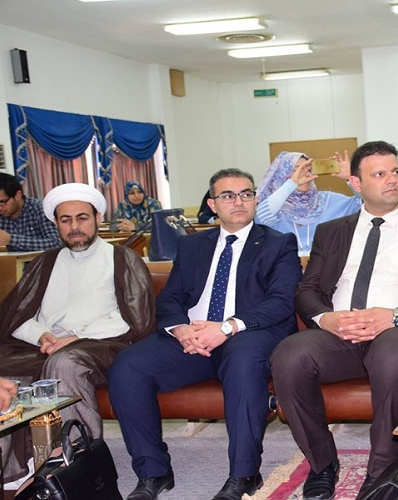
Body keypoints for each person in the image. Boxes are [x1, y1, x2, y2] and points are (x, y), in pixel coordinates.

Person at [271, 141, 398, 500]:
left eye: (395, 172)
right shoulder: (332, 231)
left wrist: (395, 316)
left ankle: (383, 471)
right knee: (289, 355)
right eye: (379, 174)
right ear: (357, 184)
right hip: (340, 334)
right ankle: (322, 464)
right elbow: (307, 289)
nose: (391, 180)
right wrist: (326, 318)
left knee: (392, 352)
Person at [108, 168, 301, 500]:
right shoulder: (192, 245)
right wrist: (181, 330)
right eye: (228, 196)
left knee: (243, 362)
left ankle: (244, 475)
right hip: (194, 334)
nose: (238, 202)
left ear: (255, 199)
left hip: (247, 332)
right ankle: (153, 472)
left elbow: (281, 301)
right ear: (212, 204)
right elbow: (170, 298)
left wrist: (226, 327)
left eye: (246, 194)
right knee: (128, 367)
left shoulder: (278, 243)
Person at [0, 183, 155, 483]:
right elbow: (15, 316)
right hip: (44, 347)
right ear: (56, 224)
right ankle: (7, 468)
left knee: (64, 363)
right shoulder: (45, 262)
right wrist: (42, 335)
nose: (75, 227)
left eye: (82, 218)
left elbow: (134, 319)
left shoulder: (122, 258)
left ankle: (78, 464)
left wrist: (77, 337)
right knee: (0, 375)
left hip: (103, 346)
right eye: (66, 220)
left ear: (97, 218)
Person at [254, 151, 362, 255]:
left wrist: (351, 178)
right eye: (297, 170)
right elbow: (259, 218)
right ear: (282, 175)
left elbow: (366, 204)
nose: (305, 173)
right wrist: (291, 184)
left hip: (330, 266)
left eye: (308, 169)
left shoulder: (331, 201)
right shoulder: (276, 208)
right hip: (286, 267)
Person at [0, 172, 62, 251]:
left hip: (42, 259)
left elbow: (56, 243)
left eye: (2, 202)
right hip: (12, 259)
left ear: (18, 195)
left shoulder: (39, 209)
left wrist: (11, 239)